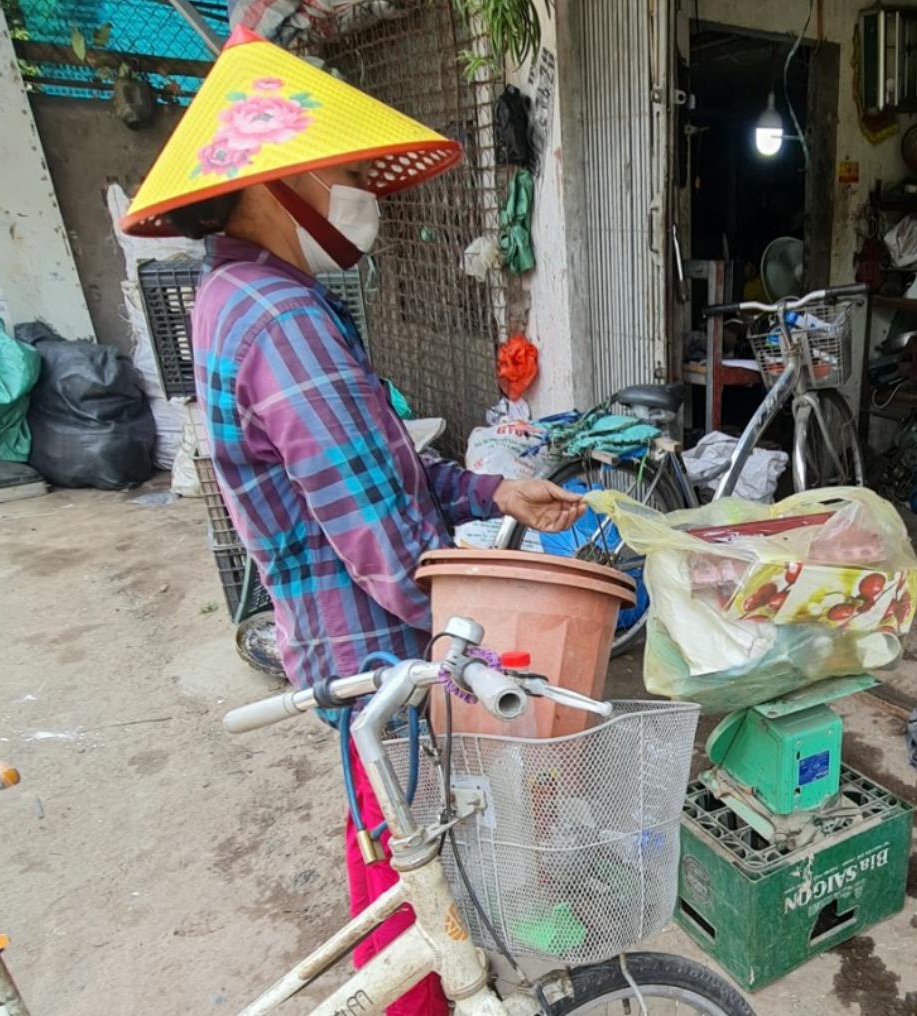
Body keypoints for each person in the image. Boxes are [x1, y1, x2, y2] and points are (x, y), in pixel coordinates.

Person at [120, 28, 584, 1015]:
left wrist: (492, 493)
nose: (362, 185)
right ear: (269, 188)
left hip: (345, 653)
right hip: (381, 658)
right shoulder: (281, 317)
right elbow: (393, 551)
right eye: (340, 169)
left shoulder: (241, 293)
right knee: (417, 894)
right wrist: (504, 627)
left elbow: (382, 474)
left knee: (391, 860)